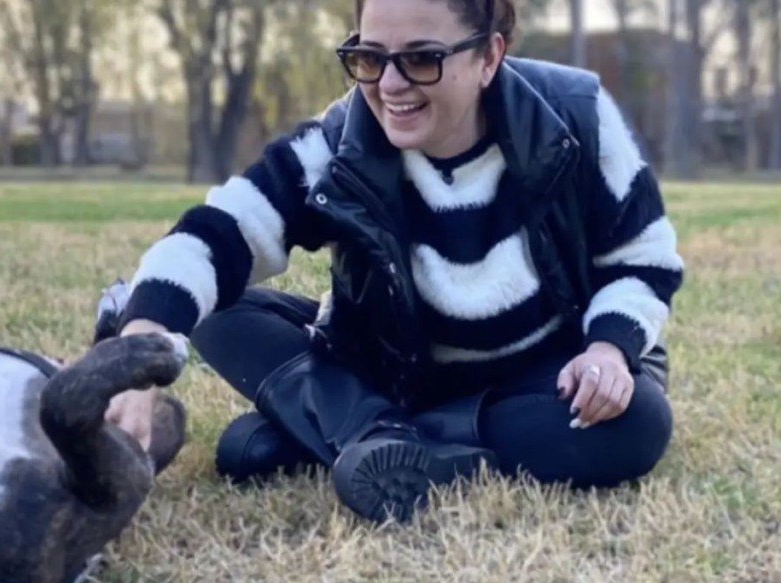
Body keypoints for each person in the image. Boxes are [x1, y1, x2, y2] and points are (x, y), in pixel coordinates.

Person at [105, 0, 682, 523]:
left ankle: (343, 432)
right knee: (214, 308)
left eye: (423, 59)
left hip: (540, 375)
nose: (391, 85)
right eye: (369, 57)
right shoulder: (339, 144)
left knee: (636, 424)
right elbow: (217, 232)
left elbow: (644, 260)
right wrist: (137, 348)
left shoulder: (577, 117)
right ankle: (377, 433)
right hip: (396, 373)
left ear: (489, 56)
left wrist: (608, 348)